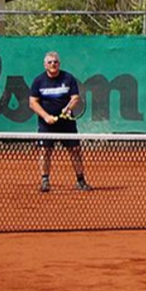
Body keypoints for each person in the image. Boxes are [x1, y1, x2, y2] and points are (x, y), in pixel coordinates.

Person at [28, 51, 92, 193]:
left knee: (75, 151)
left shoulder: (68, 78)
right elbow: (33, 102)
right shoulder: (38, 81)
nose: (53, 64)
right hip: (46, 124)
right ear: (45, 65)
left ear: (59, 64)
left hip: (66, 123)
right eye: (50, 62)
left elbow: (75, 98)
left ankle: (80, 181)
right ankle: (45, 181)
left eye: (55, 62)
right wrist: (45, 116)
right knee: (45, 151)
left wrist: (67, 109)